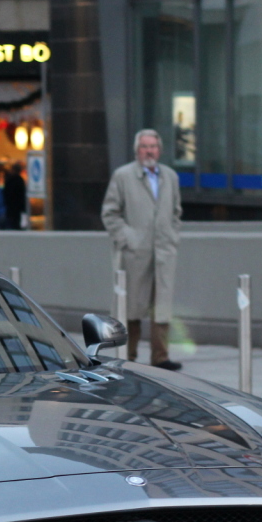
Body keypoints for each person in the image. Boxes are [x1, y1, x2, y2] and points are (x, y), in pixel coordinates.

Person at [100, 128, 182, 371]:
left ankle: (161, 357)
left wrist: (172, 236)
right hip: (135, 253)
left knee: (162, 307)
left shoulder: (170, 176)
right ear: (137, 150)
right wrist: (128, 238)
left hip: (163, 252)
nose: (149, 151)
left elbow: (176, 212)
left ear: (160, 149)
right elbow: (110, 213)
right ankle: (129, 355)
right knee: (132, 307)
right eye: (145, 147)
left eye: (153, 147)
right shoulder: (123, 176)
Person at [3, 161, 27, 230]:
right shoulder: (19, 180)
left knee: (10, 224)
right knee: (16, 225)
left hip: (10, 208)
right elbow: (22, 195)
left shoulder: (9, 180)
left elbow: (6, 194)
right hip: (17, 208)